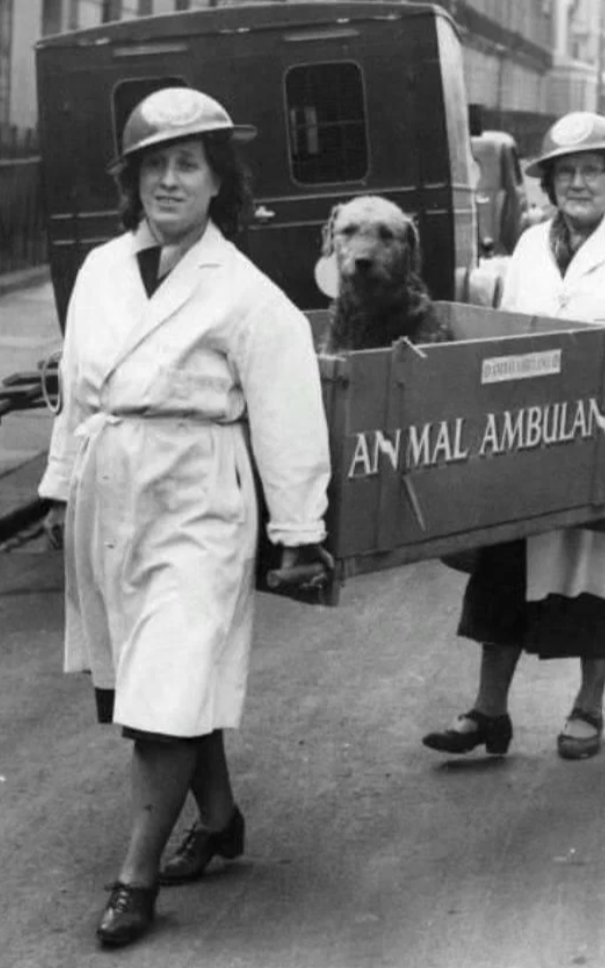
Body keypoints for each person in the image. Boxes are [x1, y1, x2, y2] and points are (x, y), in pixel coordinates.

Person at [39, 87, 331, 948]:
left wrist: (300, 533)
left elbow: (287, 416)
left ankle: (135, 880)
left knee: (166, 682)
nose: (170, 180)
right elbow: (78, 397)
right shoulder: (98, 270)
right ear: (133, 181)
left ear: (217, 182)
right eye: (154, 165)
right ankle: (223, 816)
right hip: (111, 489)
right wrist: (60, 486)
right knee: (155, 671)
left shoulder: (246, 293)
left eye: (188, 164)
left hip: (200, 497)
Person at [422, 111, 605, 763]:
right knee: (503, 571)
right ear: (548, 182)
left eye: (593, 169)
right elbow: (506, 344)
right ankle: (489, 713)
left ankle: (588, 707)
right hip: (532, 442)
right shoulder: (527, 249)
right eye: (565, 171)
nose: (578, 183)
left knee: (601, 573)